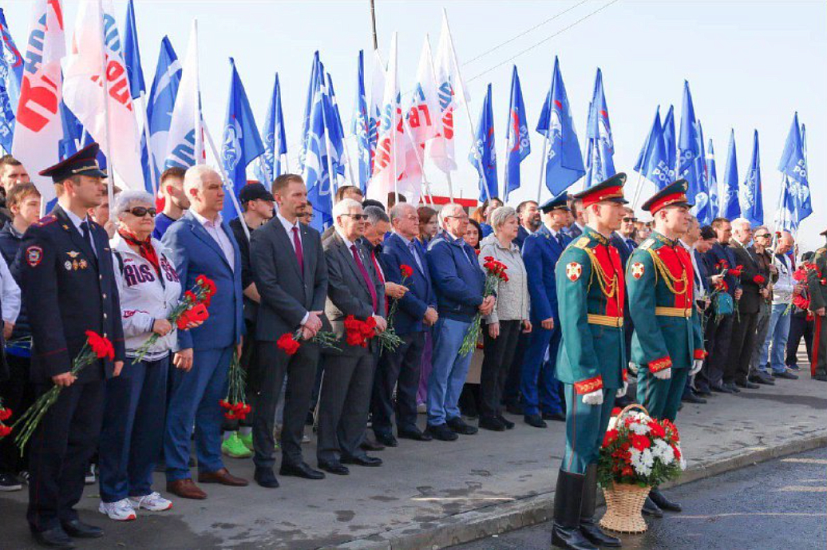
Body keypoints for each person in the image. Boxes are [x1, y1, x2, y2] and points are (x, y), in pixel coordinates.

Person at [18, 143, 125, 548]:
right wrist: (56, 361)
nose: (101, 185)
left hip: (95, 359)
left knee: (83, 441)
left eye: (100, 179)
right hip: (62, 364)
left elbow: (108, 297)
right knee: (53, 443)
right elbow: (42, 306)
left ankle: (66, 511)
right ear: (68, 185)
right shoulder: (43, 234)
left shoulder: (95, 233)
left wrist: (114, 348)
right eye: (93, 180)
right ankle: (44, 518)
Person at [98, 191, 187, 521]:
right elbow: (109, 309)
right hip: (130, 352)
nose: (148, 216)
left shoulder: (159, 250)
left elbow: (169, 297)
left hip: (159, 352)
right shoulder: (113, 254)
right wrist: (148, 322)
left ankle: (140, 486)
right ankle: (112, 493)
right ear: (121, 217)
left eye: (152, 211)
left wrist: (182, 319)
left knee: (149, 426)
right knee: (121, 426)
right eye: (139, 212)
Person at [551, 175, 628, 550]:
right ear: (595, 209)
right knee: (578, 445)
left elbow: (617, 315)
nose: (623, 211)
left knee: (594, 445)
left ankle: (584, 520)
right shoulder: (578, 253)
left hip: (608, 359)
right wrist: (586, 374)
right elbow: (573, 318)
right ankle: (564, 527)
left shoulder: (611, 251)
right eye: (616, 205)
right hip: (587, 363)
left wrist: (620, 365)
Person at [161, 166, 247, 500]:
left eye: (221, 186)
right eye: (213, 188)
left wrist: (237, 332)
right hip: (196, 340)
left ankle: (211, 465)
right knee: (185, 407)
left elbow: (234, 283)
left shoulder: (223, 228)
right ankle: (178, 473)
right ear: (193, 193)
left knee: (212, 406)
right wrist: (182, 341)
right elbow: (174, 291)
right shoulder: (181, 233)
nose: (221, 193)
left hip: (225, 336)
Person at [627, 179, 705, 518]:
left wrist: (697, 347)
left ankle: (651, 483)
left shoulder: (678, 251)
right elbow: (641, 311)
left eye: (687, 211)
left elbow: (690, 305)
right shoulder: (646, 254)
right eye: (681, 211)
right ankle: (634, 487)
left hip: (680, 348)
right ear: (661, 215)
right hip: (658, 353)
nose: (687, 216)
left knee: (666, 423)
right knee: (647, 422)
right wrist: (657, 355)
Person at [249, 174, 328, 488]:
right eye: (297, 194)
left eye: (305, 194)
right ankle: (264, 463)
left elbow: (321, 279)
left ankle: (293, 459)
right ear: (278, 198)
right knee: (268, 400)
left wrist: (314, 316)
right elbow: (267, 285)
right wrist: (303, 315)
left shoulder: (311, 235)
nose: (303, 200)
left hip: (309, 332)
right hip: (276, 331)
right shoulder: (263, 236)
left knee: (299, 397)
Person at [317, 199, 386, 475]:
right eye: (356, 216)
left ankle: (353, 447)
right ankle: (328, 452)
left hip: (368, 329)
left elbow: (375, 285)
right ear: (339, 219)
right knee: (336, 395)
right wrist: (369, 314)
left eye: (363, 217)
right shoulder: (329, 249)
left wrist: (377, 314)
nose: (362, 221)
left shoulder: (360, 248)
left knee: (359, 393)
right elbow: (339, 291)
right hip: (344, 330)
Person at [426, 203, 492, 441]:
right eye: (460, 217)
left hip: (468, 316)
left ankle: (451, 413)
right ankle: (435, 418)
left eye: (466, 217)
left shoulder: (463, 246)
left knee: (459, 370)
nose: (466, 221)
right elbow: (447, 281)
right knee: (442, 370)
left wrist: (488, 296)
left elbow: (477, 276)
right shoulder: (440, 247)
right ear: (446, 221)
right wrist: (477, 300)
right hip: (450, 316)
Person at [372, 203, 436, 446]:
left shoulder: (417, 245)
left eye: (416, 217)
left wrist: (432, 306)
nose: (416, 222)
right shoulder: (390, 248)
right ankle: (383, 427)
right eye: (410, 218)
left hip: (418, 325)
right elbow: (398, 289)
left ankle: (407, 424)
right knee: (388, 378)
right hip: (400, 323)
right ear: (396, 223)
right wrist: (423, 309)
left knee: (411, 377)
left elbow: (426, 281)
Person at [223, 183, 275, 460]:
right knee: (237, 375)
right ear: (251, 203)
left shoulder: (267, 233)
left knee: (257, 375)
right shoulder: (234, 232)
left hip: (264, 317)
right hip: (245, 313)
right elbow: (242, 278)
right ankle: (228, 432)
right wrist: (273, 303)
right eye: (267, 200)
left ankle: (247, 428)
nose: (272, 204)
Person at [477, 207, 530, 431]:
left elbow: (522, 285)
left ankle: (497, 410)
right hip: (498, 317)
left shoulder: (515, 251)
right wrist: (492, 319)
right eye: (511, 222)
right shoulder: (489, 249)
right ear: (499, 226)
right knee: (493, 365)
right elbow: (489, 287)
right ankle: (487, 413)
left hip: (514, 317)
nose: (516, 226)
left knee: (504, 366)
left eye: (517, 222)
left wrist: (525, 315)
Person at [0, 183, 38, 492]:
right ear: (15, 208)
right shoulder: (3, 241)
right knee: (11, 404)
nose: (39, 210)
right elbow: (10, 283)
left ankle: (27, 464)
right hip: (14, 336)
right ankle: (6, 467)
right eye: (32, 204)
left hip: (40, 335)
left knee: (33, 405)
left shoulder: (46, 238)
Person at [521, 194, 570, 428]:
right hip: (545, 311)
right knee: (535, 359)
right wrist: (544, 313)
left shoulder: (563, 240)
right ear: (552, 214)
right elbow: (536, 281)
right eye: (564, 212)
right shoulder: (535, 241)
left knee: (555, 361)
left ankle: (551, 405)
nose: (568, 216)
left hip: (562, 310)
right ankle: (530, 406)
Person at [725, 218, 767, 391]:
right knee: (737, 341)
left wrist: (763, 280)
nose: (751, 233)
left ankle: (742, 375)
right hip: (743, 301)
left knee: (749, 341)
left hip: (753, 301)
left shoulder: (748, 250)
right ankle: (730, 377)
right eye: (748, 230)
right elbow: (739, 271)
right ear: (736, 232)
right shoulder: (733, 248)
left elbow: (758, 270)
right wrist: (755, 278)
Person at [703, 218, 742, 393]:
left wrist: (738, 288)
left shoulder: (729, 251)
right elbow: (709, 274)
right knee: (711, 342)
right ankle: (707, 380)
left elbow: (733, 275)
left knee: (723, 342)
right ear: (715, 230)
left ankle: (717, 379)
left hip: (729, 302)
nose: (730, 233)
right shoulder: (711, 250)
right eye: (727, 230)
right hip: (715, 303)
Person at [759, 231, 799, 380]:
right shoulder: (770, 257)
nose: (787, 248)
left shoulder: (787, 259)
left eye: (790, 246)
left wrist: (797, 284)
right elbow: (772, 284)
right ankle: (761, 367)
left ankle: (778, 367)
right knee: (766, 336)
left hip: (786, 302)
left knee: (782, 337)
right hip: (774, 301)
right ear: (779, 241)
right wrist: (791, 288)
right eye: (786, 245)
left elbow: (789, 279)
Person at [746, 227, 782, 385]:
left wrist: (774, 273)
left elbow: (772, 279)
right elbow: (751, 275)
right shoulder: (750, 253)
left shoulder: (768, 255)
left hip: (768, 300)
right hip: (756, 299)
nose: (768, 238)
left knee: (762, 337)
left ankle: (757, 369)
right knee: (752, 337)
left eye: (770, 236)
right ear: (756, 238)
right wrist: (763, 287)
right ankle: (747, 370)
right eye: (765, 236)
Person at [416, 206, 439, 410]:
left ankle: (423, 394)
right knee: (420, 357)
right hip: (419, 309)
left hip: (431, 306)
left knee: (428, 355)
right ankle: (418, 395)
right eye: (431, 222)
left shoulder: (429, 244)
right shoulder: (418, 245)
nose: (435, 226)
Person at [786, 252, 815, 371]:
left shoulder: (816, 275)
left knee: (812, 341)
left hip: (812, 314)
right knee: (793, 339)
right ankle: (790, 361)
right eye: (807, 263)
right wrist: (808, 305)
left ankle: (814, 362)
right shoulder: (796, 276)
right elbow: (794, 296)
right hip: (798, 312)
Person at [807, 229, 827, 382]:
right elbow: (812, 280)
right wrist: (819, 304)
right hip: (824, 302)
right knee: (822, 338)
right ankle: (818, 369)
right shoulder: (821, 254)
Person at [152, 167, 189, 240]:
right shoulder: (154, 226)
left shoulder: (193, 224)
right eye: (186, 188)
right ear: (170, 190)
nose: (191, 194)